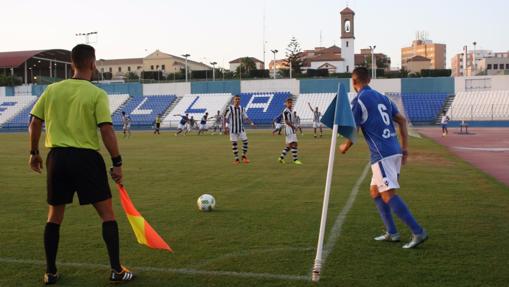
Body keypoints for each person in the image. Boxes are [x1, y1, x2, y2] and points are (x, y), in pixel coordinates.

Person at [28, 44, 135, 284]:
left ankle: (51, 272)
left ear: (72, 63)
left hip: (57, 158)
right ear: (92, 63)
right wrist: (117, 162)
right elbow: (106, 129)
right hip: (86, 158)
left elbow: (34, 123)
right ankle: (117, 270)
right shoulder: (96, 93)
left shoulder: (52, 90)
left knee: (54, 216)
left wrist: (34, 152)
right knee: (107, 214)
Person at [339, 67, 427, 249]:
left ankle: (418, 232)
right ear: (369, 79)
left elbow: (353, 131)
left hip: (381, 154)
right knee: (375, 192)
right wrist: (405, 148)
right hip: (394, 150)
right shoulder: (384, 98)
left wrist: (344, 147)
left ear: (353, 82)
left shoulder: (359, 100)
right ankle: (392, 232)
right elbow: (402, 121)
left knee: (388, 194)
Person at [223, 95, 255, 164]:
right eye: (236, 99)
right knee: (234, 144)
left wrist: (251, 123)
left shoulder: (242, 108)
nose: (237, 100)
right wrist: (225, 127)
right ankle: (236, 159)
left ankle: (243, 156)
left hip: (241, 128)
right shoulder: (229, 108)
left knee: (245, 142)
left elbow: (246, 117)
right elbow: (225, 118)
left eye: (238, 99)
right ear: (233, 100)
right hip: (232, 129)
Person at [278, 98, 302, 165]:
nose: (290, 104)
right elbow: (286, 121)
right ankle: (295, 160)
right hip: (289, 129)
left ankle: (281, 158)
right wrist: (293, 127)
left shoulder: (290, 110)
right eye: (289, 103)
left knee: (290, 145)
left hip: (291, 128)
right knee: (294, 144)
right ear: (286, 103)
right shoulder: (285, 111)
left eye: (291, 102)